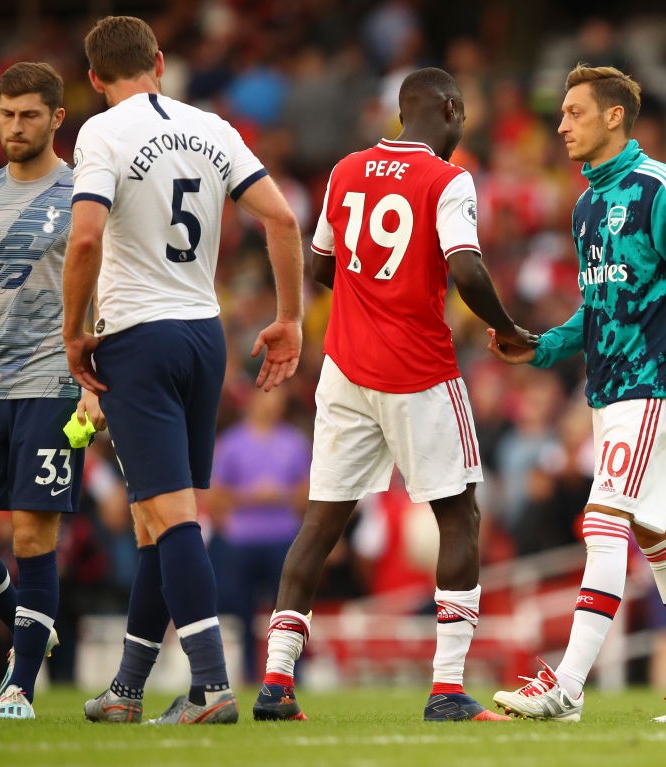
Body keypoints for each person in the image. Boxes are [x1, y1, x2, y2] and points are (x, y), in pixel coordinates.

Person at [255, 66, 536, 723]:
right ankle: (446, 688)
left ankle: (275, 681)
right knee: (459, 517)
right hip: (418, 371)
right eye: (463, 116)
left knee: (320, 523)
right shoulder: (447, 179)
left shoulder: (347, 170)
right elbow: (466, 266)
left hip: (345, 369)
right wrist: (507, 328)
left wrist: (368, 304)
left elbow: (321, 264)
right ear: (448, 107)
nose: (465, 128)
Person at [62, 16, 304, 725]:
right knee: (156, 524)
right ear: (160, 63)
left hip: (138, 337)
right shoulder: (215, 126)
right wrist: (289, 318)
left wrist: (76, 333)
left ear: (96, 79)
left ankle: (209, 686)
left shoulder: (100, 133)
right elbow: (283, 220)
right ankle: (127, 691)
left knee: (172, 521)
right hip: (205, 334)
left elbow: (83, 239)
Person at [489, 64, 666, 723]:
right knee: (659, 536)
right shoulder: (586, 206)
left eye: (574, 111)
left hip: (654, 385)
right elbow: (597, 309)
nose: (562, 124)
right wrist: (540, 345)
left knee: (604, 521)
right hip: (608, 394)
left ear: (614, 116)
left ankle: (567, 686)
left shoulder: (662, 187)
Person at [0, 62, 105, 720]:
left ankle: (19, 686)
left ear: (57, 118)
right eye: (6, 114)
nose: (14, 126)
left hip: (51, 384)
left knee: (31, 535)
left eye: (29, 114)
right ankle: (24, 617)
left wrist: (93, 384)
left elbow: (108, 292)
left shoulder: (85, 193)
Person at [208, 385, 310, 682]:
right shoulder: (231, 443)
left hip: (283, 537)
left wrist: (278, 496)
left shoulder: (294, 442)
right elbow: (215, 497)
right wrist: (252, 498)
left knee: (289, 607)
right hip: (243, 542)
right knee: (243, 614)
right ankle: (250, 674)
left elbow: (307, 494)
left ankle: (291, 673)